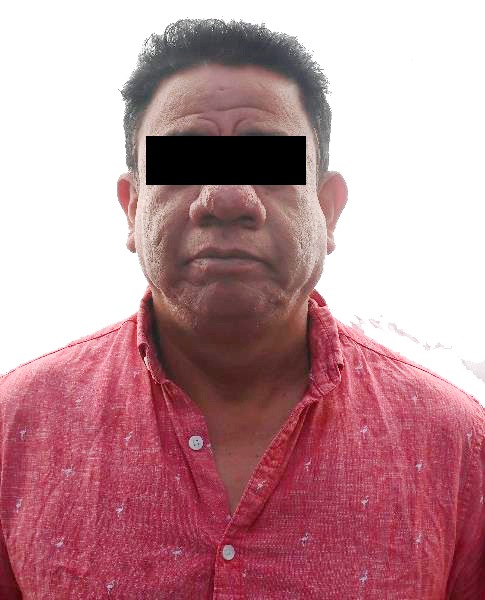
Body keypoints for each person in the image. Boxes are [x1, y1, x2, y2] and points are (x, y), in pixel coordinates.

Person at [1, 18, 483, 599]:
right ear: (132, 208)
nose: (227, 198)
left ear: (328, 209)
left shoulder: (456, 445)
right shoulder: (14, 429)